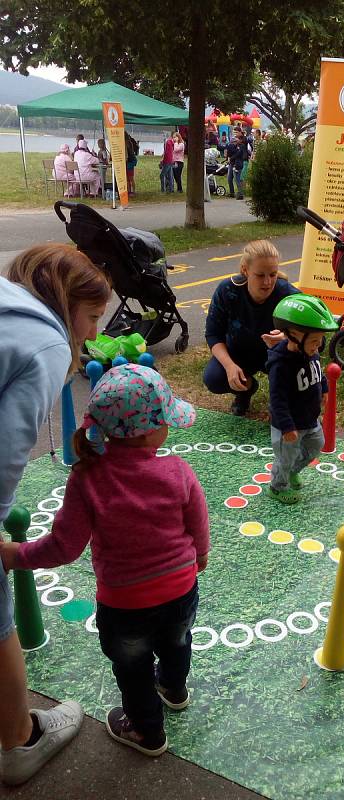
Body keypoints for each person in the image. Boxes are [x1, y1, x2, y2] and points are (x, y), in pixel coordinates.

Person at [0, 362, 210, 758]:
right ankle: (174, 688)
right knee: (178, 641)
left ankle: (148, 734)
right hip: (182, 588)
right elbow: (198, 523)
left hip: (124, 605)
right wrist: (199, 556)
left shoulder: (88, 477)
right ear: (151, 430)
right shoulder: (178, 471)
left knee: (132, 671)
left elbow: (64, 547)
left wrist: (16, 554)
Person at [0, 244, 111, 786]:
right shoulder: (44, 342)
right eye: (91, 317)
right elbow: (3, 456)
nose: (91, 334)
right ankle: (21, 741)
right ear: (67, 301)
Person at [203, 240, 299, 416]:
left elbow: (317, 338)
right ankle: (245, 390)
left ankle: (285, 400)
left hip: (278, 356)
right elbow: (213, 334)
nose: (268, 282)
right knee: (214, 378)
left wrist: (288, 339)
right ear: (245, 270)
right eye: (260, 275)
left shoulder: (288, 295)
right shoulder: (227, 291)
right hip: (239, 353)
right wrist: (230, 366)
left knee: (297, 377)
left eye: (273, 274)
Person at [266, 295, 338, 505]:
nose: (319, 345)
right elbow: (277, 399)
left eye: (320, 340)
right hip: (287, 426)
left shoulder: (310, 350)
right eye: (315, 340)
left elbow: (318, 371)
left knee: (316, 445)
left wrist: (323, 387)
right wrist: (287, 428)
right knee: (285, 458)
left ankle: (290, 473)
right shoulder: (281, 365)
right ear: (296, 335)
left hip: (309, 419)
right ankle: (277, 487)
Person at [225, 131, 245, 199]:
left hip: (237, 164)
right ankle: (232, 192)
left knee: (237, 179)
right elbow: (230, 151)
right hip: (232, 164)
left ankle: (240, 194)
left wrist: (231, 158)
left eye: (237, 139)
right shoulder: (234, 145)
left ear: (241, 140)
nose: (236, 140)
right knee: (229, 179)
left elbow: (238, 154)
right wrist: (228, 158)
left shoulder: (242, 146)